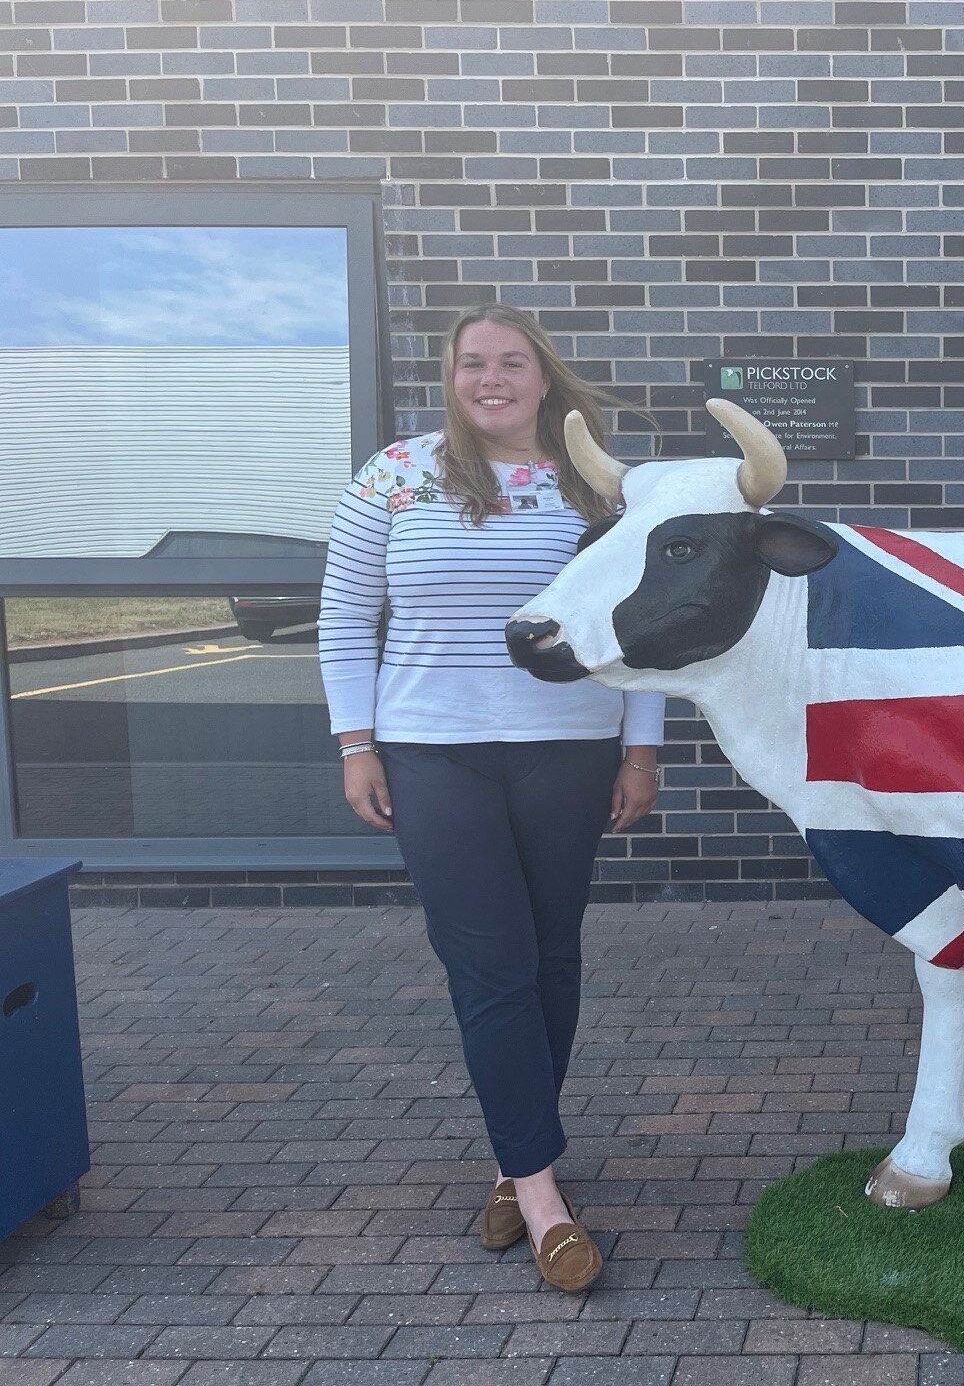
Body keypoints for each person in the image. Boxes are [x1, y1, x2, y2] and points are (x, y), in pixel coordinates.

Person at [317, 304, 663, 1294]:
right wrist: (355, 744)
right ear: (452, 376)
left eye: (512, 362)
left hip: (569, 753)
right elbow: (343, 616)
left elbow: (632, 630)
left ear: (544, 377)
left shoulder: (597, 486)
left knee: (552, 959)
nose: (491, 378)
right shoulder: (394, 475)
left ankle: (517, 1163)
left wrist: (640, 753)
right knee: (493, 966)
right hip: (433, 754)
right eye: (474, 363)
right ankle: (548, 1199)